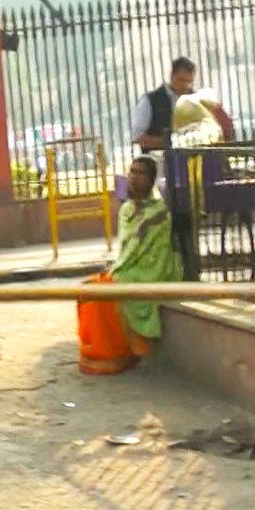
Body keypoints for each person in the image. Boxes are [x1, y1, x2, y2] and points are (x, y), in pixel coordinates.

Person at [77, 156, 181, 374]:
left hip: (152, 271)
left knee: (101, 294)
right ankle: (96, 352)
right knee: (85, 290)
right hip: (127, 268)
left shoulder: (160, 212)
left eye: (141, 173)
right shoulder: (126, 210)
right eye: (132, 171)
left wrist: (116, 272)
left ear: (151, 179)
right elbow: (127, 249)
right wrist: (116, 269)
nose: (134, 177)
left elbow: (148, 250)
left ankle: (119, 353)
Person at [131, 56, 195, 153]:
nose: (185, 86)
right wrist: (171, 142)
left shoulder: (196, 100)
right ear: (172, 76)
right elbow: (137, 137)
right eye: (181, 80)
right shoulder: (150, 101)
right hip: (158, 162)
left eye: (189, 82)